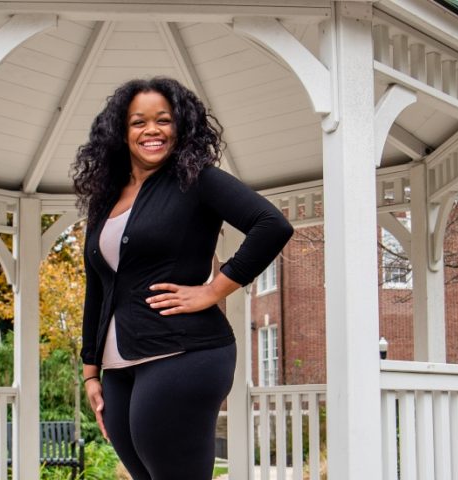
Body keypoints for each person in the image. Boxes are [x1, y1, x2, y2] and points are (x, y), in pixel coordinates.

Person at [72, 77, 293, 480]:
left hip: (184, 353)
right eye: (138, 122)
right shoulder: (106, 198)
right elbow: (97, 288)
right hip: (119, 366)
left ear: (182, 126)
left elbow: (271, 225)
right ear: (121, 132)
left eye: (164, 120)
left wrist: (213, 289)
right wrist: (90, 370)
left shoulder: (197, 180)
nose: (151, 130)